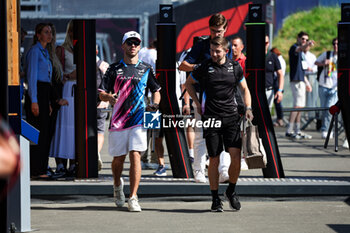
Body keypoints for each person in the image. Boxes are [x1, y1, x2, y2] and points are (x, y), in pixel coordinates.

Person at [185, 37, 253, 212]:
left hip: (231, 118)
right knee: (214, 158)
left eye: (218, 51)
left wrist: (248, 107)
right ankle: (215, 198)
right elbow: (188, 84)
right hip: (211, 118)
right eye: (213, 51)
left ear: (226, 51)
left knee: (236, 157)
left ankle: (231, 190)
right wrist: (197, 103)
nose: (214, 54)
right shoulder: (204, 67)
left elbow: (245, 88)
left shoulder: (235, 67)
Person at [99, 31, 161, 212]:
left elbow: (156, 89)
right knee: (118, 159)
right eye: (129, 43)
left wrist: (155, 104)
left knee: (136, 155)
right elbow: (102, 92)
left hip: (139, 119)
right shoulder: (113, 68)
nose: (133, 46)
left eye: (136, 43)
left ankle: (133, 197)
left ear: (140, 46)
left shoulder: (146, 68)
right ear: (123, 45)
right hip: (118, 120)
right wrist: (108, 97)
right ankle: (117, 185)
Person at [179, 13, 230, 183]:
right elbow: (183, 65)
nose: (217, 34)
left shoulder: (227, 47)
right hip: (203, 96)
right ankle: (199, 170)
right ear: (210, 29)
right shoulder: (201, 46)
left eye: (220, 31)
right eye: (214, 31)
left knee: (223, 136)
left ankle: (223, 170)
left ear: (225, 29)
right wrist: (201, 66)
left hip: (223, 97)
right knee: (201, 135)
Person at [25, 23, 55, 179]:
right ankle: (36, 169)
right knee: (38, 132)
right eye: (46, 32)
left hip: (45, 92)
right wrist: (34, 100)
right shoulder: (35, 52)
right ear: (38, 35)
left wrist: (48, 102)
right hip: (37, 91)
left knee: (45, 132)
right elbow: (32, 77)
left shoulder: (45, 52)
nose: (49, 35)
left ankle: (42, 167)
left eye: (50, 32)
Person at [49, 20, 77, 177]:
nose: (74, 34)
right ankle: (60, 163)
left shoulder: (85, 49)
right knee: (63, 127)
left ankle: (73, 163)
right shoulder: (61, 49)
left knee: (75, 129)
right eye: (72, 31)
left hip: (79, 91)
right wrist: (68, 76)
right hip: (66, 90)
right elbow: (56, 72)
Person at [219, 36, 247, 182]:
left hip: (241, 105)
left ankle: (242, 158)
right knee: (225, 140)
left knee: (241, 134)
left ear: (242, 47)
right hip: (228, 106)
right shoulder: (227, 63)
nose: (234, 48)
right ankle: (224, 169)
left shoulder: (244, 63)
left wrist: (248, 106)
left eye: (237, 45)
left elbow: (246, 88)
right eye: (233, 46)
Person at [286, 31, 314, 139]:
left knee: (300, 107)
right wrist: (307, 44)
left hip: (301, 80)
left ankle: (297, 129)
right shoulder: (294, 48)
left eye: (306, 40)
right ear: (298, 38)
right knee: (297, 106)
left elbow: (302, 70)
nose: (304, 41)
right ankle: (289, 129)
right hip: (296, 81)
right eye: (303, 39)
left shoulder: (302, 54)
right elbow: (299, 49)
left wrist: (307, 83)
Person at [315, 38, 338, 139]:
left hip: (335, 87)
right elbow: (316, 62)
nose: (335, 46)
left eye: (337, 44)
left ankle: (328, 129)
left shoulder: (342, 56)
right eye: (334, 44)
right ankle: (325, 129)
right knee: (324, 109)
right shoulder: (328, 54)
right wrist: (324, 63)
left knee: (330, 108)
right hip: (324, 84)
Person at [96, 45, 110, 171]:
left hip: (85, 103)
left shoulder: (82, 64)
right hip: (102, 103)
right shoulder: (104, 65)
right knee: (100, 130)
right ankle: (97, 152)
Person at [265, 35, 284, 109]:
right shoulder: (254, 56)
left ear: (269, 43)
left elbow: (280, 74)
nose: (264, 44)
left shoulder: (273, 56)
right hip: (255, 91)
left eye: (266, 42)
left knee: (266, 115)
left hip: (269, 90)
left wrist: (280, 90)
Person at [271, 47, 286, 127]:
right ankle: (279, 118)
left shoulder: (278, 60)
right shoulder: (282, 59)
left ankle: (280, 118)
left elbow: (279, 73)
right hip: (278, 80)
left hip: (277, 81)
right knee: (277, 102)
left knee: (277, 101)